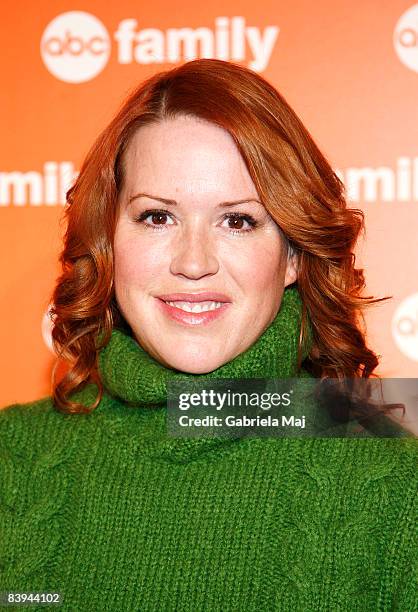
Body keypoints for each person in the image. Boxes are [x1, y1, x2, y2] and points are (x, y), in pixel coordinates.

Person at [0, 59, 416, 612]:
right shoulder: (14, 456)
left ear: (292, 254)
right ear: (107, 239)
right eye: (157, 217)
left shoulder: (393, 479)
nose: (193, 263)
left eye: (238, 220)